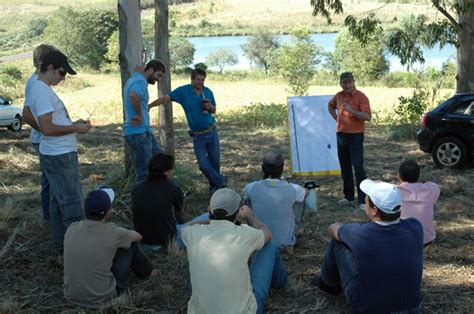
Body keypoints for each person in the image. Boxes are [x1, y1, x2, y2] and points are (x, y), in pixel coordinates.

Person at [312, 179, 423, 313]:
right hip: (413, 308)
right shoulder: (415, 226)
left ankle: (327, 285)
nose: (364, 205)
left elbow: (332, 229)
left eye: (366, 202)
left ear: (374, 210)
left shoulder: (361, 233)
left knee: (338, 244)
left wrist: (345, 229)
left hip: (371, 309)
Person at [28, 50, 92, 261]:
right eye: (62, 73)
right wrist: (74, 128)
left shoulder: (40, 87)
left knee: (56, 206)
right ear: (50, 68)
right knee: (73, 206)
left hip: (58, 153)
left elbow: (37, 119)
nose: (63, 78)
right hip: (59, 155)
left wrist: (72, 126)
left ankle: (61, 252)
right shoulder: (40, 90)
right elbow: (46, 128)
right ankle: (81, 258)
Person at [182, 188, 288, 314]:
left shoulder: (192, 233)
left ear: (209, 210)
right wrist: (250, 216)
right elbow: (268, 234)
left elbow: (186, 227)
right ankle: (281, 282)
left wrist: (211, 220)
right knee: (269, 248)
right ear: (238, 214)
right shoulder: (244, 234)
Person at [63, 187, 153, 308]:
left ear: (83, 207)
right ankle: (147, 272)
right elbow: (138, 237)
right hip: (103, 299)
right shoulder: (114, 232)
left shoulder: (71, 228)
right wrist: (125, 234)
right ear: (109, 212)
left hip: (71, 297)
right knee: (129, 244)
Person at [155, 68, 225, 194]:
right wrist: (149, 106)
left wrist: (210, 108)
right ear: (192, 79)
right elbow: (166, 98)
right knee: (203, 165)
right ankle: (221, 182)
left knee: (215, 163)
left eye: (203, 80)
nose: (201, 82)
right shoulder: (184, 91)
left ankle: (215, 188)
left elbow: (214, 111)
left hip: (212, 131)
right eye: (198, 79)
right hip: (198, 136)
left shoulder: (208, 92)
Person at [22, 44, 57, 223]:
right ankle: (49, 218)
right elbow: (26, 114)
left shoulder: (40, 80)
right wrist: (44, 130)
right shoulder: (34, 82)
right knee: (49, 180)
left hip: (44, 137)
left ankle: (50, 216)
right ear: (43, 62)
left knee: (49, 179)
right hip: (41, 139)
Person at [243, 151, 307, 249]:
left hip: (259, 240)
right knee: (301, 198)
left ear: (262, 168)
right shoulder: (293, 189)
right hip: (284, 242)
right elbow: (306, 192)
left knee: (247, 199)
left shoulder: (251, 187)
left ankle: (253, 229)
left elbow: (245, 197)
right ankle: (293, 228)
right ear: (282, 168)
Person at [328, 72, 371, 210]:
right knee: (345, 167)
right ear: (341, 83)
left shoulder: (361, 97)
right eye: (344, 82)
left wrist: (352, 111)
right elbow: (330, 105)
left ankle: (363, 200)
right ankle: (348, 196)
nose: (347, 85)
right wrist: (336, 117)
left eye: (349, 82)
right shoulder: (339, 96)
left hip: (356, 136)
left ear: (354, 82)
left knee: (358, 167)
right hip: (341, 135)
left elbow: (367, 116)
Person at [123, 59, 166, 184]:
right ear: (151, 70)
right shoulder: (140, 81)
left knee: (160, 162)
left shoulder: (134, 79)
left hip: (144, 132)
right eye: (159, 75)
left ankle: (164, 192)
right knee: (144, 172)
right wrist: (139, 114)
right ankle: (140, 201)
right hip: (138, 132)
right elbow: (133, 95)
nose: (159, 79)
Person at [132, 153, 185, 249]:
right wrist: (183, 227)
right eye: (172, 168)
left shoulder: (136, 188)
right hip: (166, 243)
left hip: (141, 240)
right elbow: (179, 214)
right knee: (205, 217)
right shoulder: (173, 189)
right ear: (166, 172)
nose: (174, 171)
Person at [398, 159, 440, 245]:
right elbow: (432, 185)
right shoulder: (431, 190)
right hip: (427, 239)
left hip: (403, 240)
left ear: (399, 176)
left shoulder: (394, 192)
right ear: (418, 176)